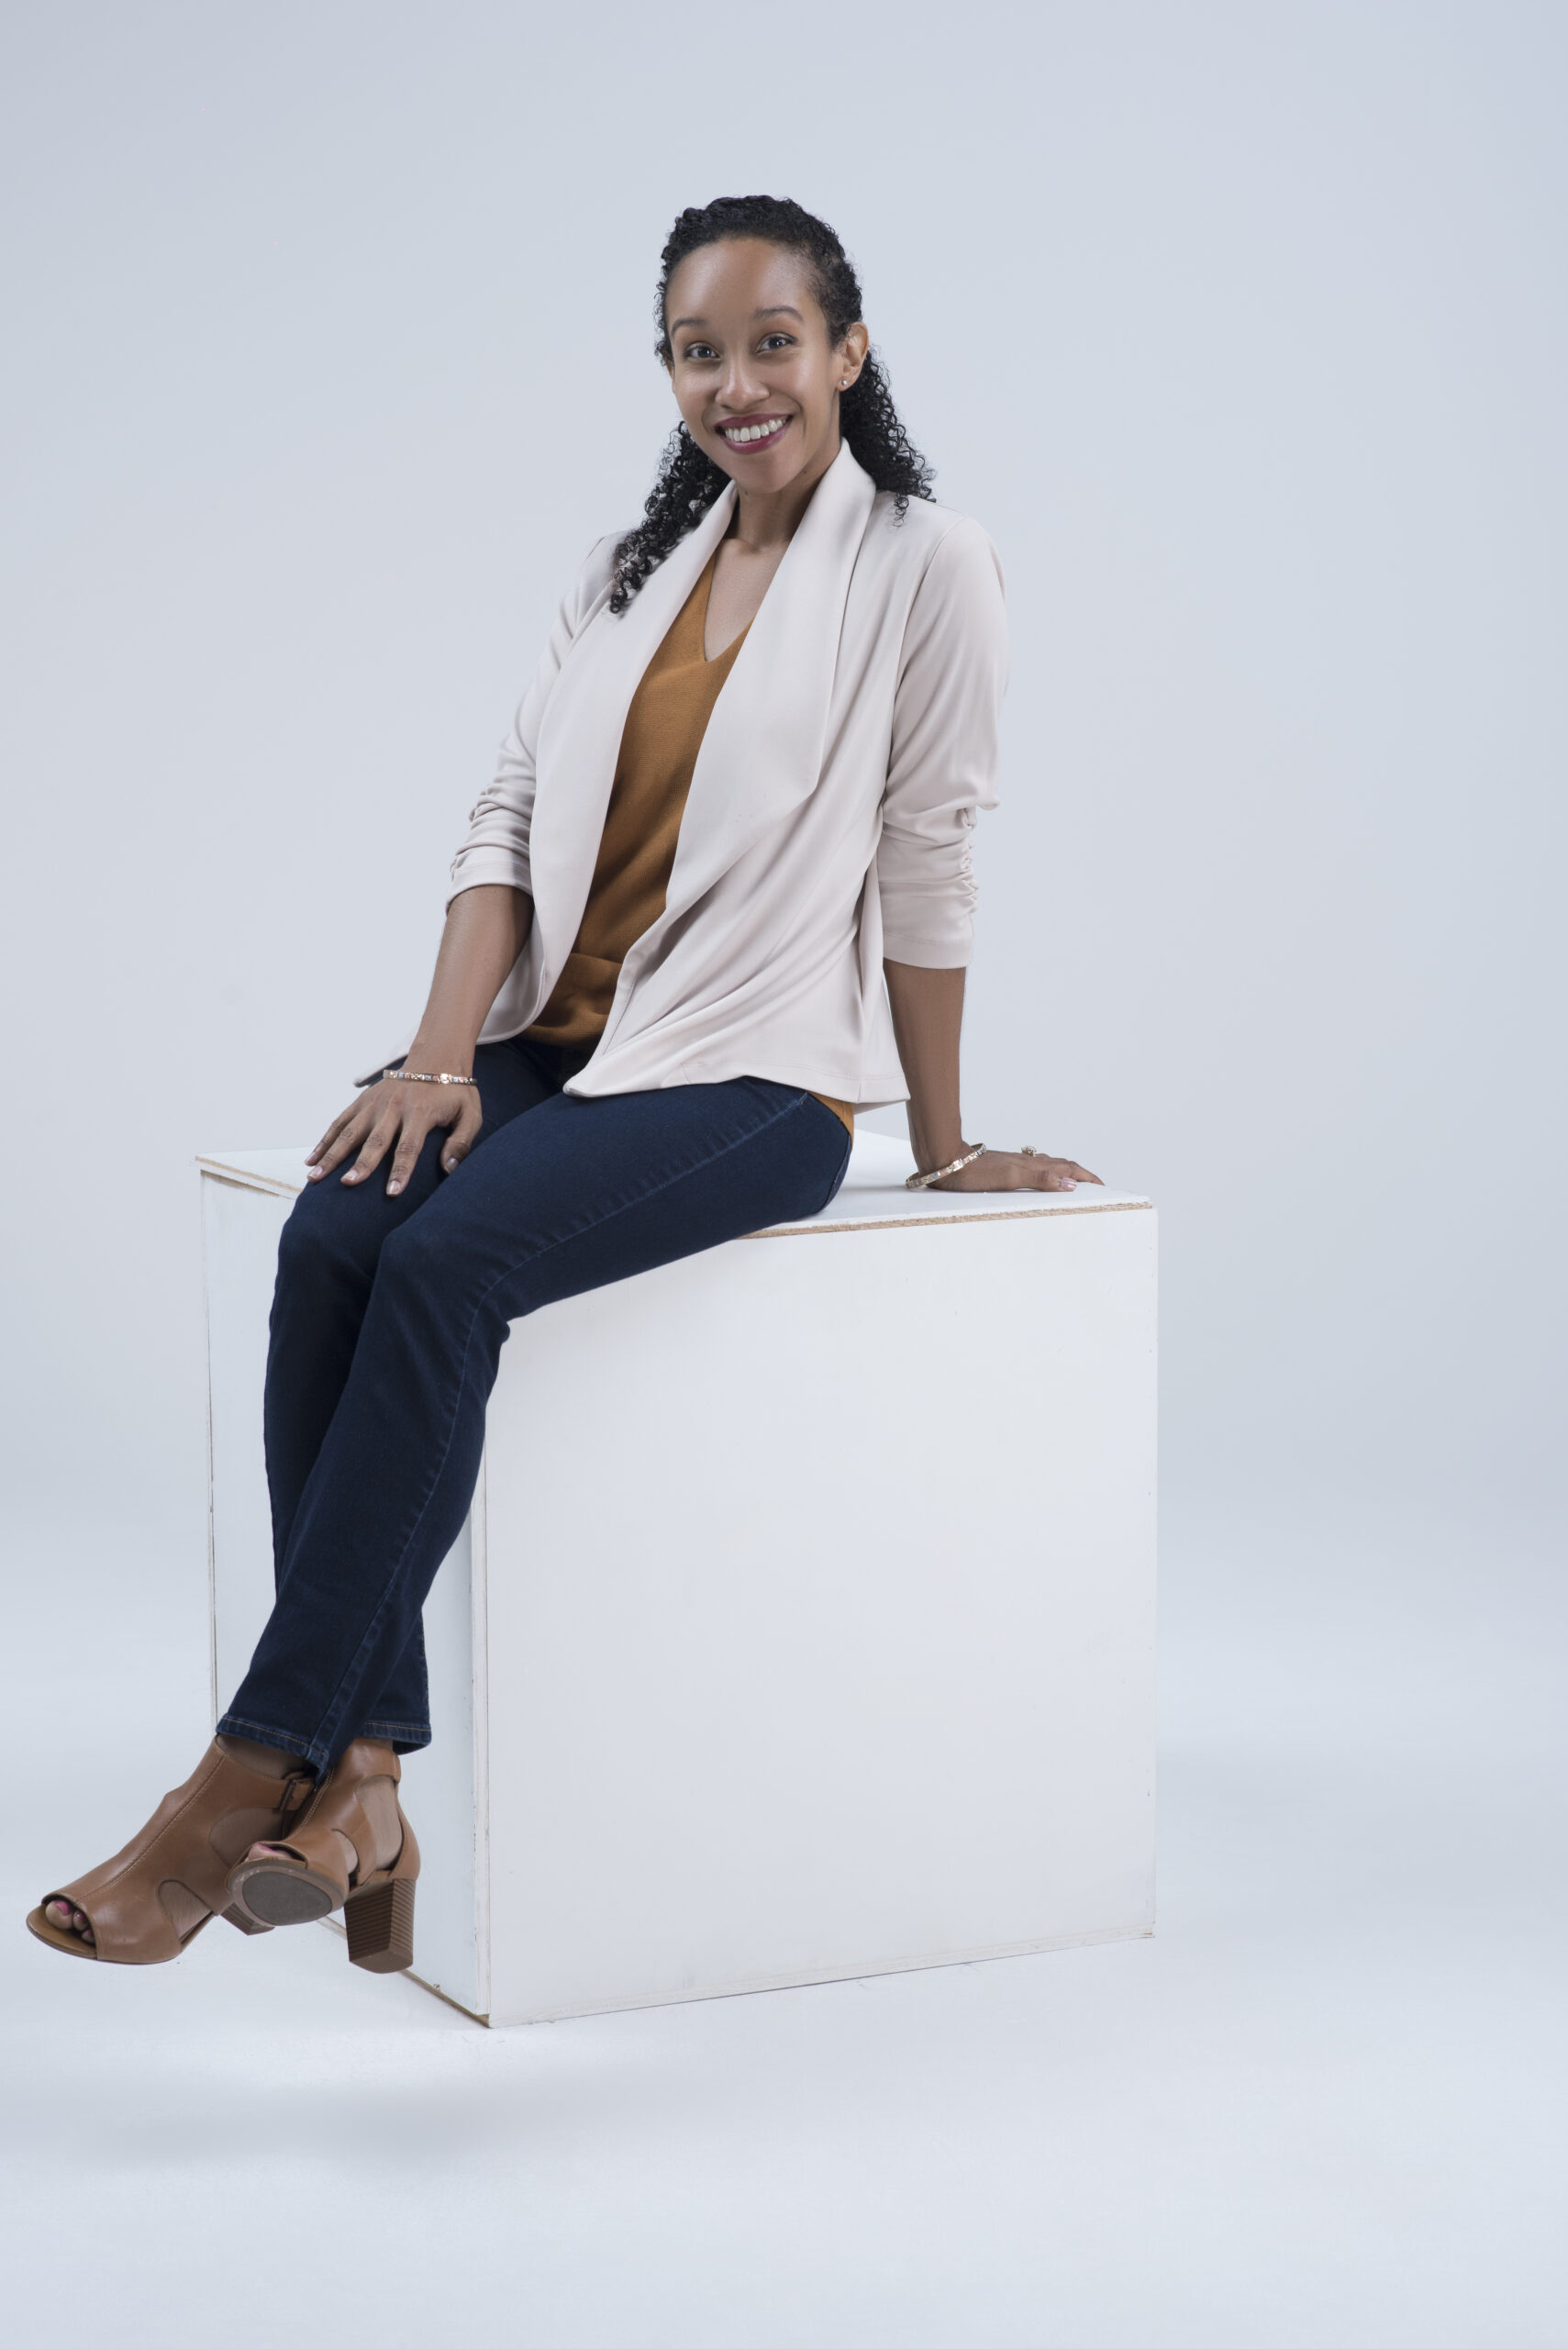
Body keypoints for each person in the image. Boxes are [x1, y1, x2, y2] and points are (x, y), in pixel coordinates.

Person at [28, 194, 1100, 1973]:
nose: (737, 379)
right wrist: (443, 1056)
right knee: (335, 1232)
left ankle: (240, 1777)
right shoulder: (624, 572)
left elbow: (931, 856)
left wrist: (950, 1131)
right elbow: (504, 823)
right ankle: (364, 1775)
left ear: (845, 348)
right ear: (668, 367)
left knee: (451, 1266)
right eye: (700, 347)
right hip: (562, 1046)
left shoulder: (927, 559)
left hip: (758, 1075)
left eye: (774, 339)